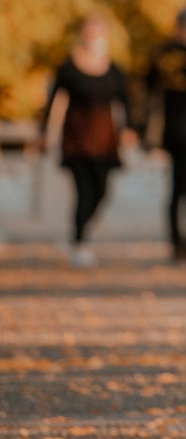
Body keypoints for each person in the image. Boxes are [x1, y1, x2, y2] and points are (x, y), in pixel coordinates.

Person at [40, 14, 138, 266]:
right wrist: (44, 132)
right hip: (76, 141)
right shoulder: (69, 68)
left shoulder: (114, 70)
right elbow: (52, 102)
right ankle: (78, 241)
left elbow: (125, 101)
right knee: (83, 192)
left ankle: (79, 236)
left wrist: (129, 129)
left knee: (101, 192)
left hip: (105, 142)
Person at [145, 5, 186, 260]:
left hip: (176, 130)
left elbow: (149, 94)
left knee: (180, 190)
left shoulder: (162, 53)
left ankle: (181, 243)